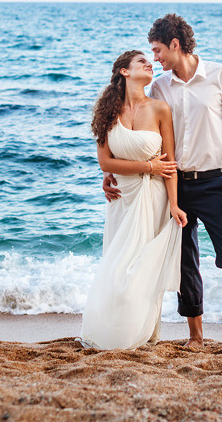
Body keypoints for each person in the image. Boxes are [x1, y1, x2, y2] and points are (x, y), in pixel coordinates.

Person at [104, 14, 222, 346]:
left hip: (216, 183)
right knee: (185, 262)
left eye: (157, 50)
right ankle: (195, 335)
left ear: (175, 44)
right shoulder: (159, 87)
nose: (155, 59)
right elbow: (138, 131)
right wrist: (111, 171)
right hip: (174, 185)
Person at [80, 50, 188, 350]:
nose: (148, 65)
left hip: (153, 199)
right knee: (116, 268)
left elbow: (169, 165)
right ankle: (109, 330)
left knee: (142, 270)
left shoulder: (160, 109)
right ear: (124, 72)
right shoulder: (106, 112)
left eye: (150, 62)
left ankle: (142, 334)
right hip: (121, 198)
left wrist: (175, 204)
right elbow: (106, 163)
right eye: (142, 61)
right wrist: (147, 166)